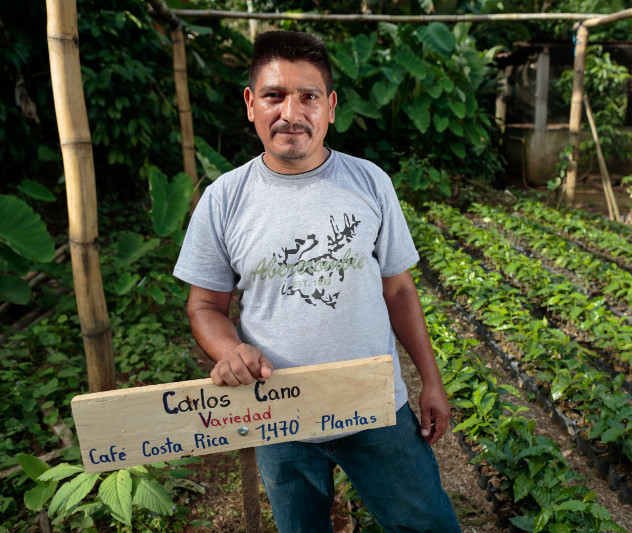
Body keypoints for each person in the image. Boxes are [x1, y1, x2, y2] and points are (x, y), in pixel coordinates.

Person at [173, 30, 460, 532]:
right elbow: (205, 306)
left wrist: (430, 382)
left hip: (374, 405)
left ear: (329, 107)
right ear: (250, 104)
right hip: (278, 412)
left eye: (308, 96)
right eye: (274, 95)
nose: (291, 112)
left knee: (427, 525)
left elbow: (398, 290)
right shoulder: (223, 199)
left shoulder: (370, 183)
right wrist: (229, 350)